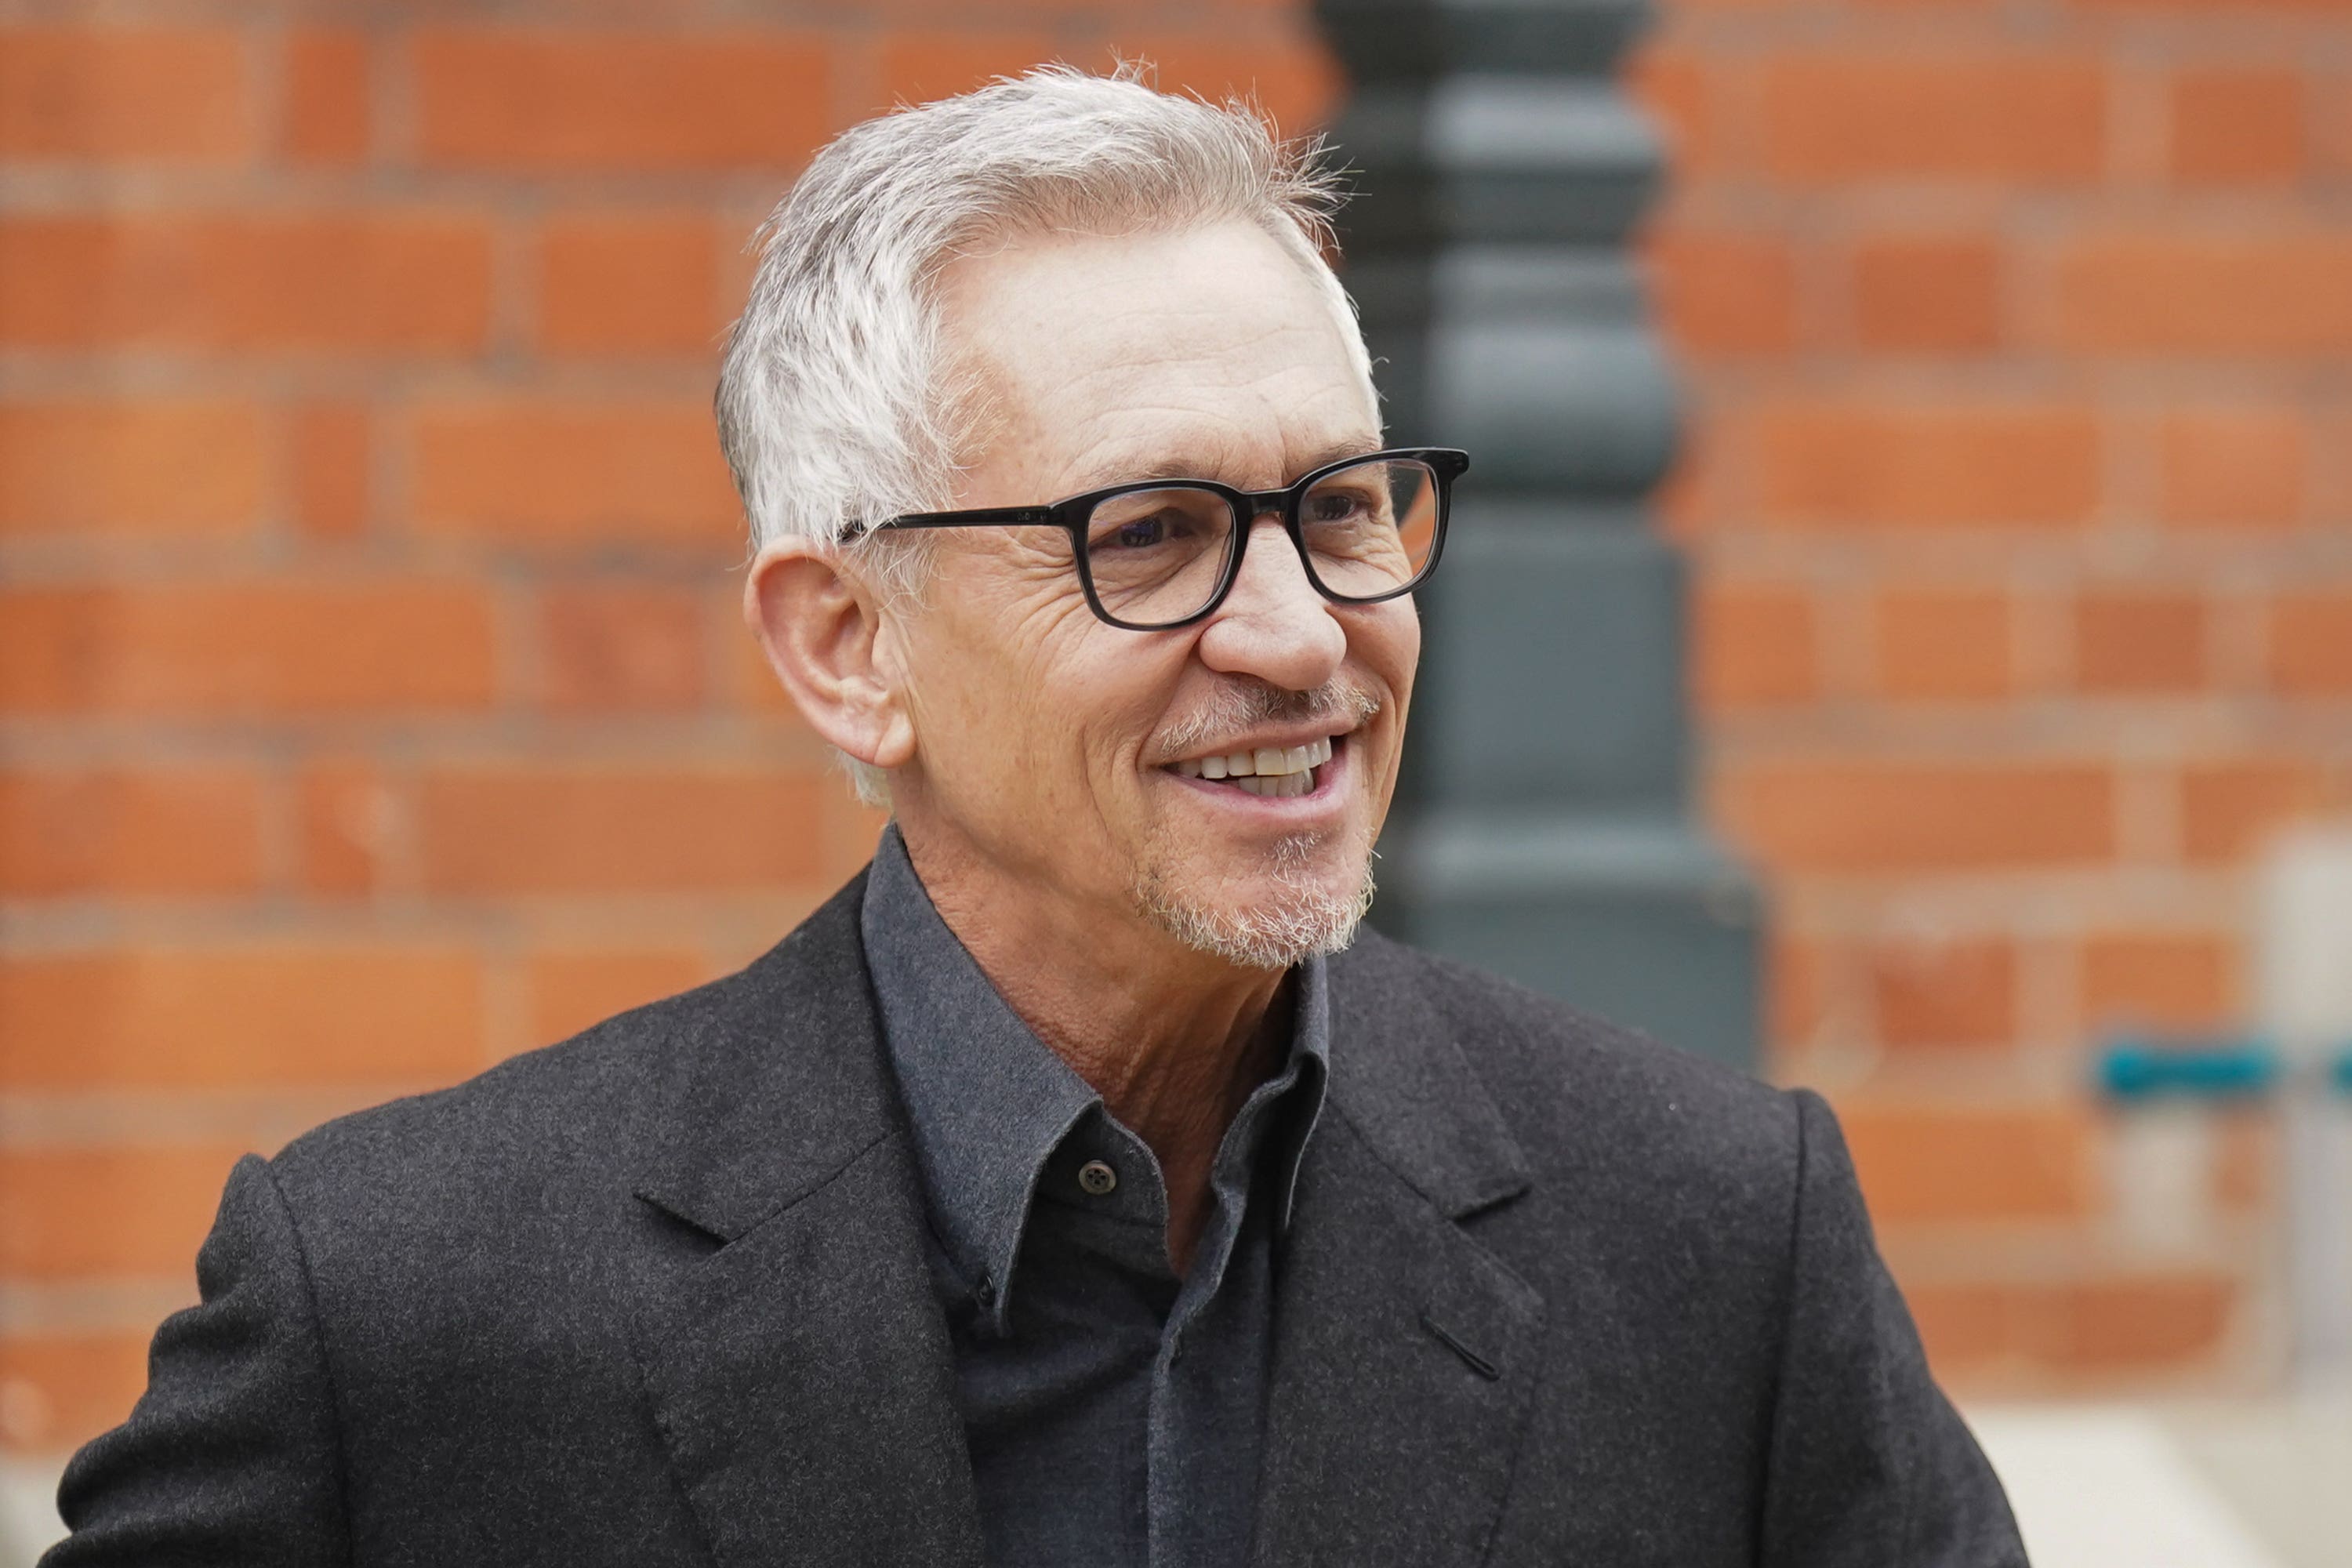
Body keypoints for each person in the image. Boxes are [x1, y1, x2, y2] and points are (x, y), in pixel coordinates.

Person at [41, 67, 2026, 1567]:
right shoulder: (406, 1310)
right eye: (1149, 534)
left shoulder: (1712, 1239)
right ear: (846, 645)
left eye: (1341, 506)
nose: (1297, 633)